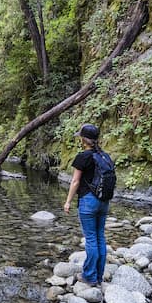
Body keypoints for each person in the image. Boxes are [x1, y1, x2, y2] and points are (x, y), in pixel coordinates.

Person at [63, 123, 109, 286]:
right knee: (100, 237)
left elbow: (75, 181)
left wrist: (68, 201)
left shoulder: (83, 156)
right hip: (104, 202)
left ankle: (89, 276)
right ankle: (98, 275)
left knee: (90, 239)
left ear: (83, 139)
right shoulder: (105, 156)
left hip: (88, 201)